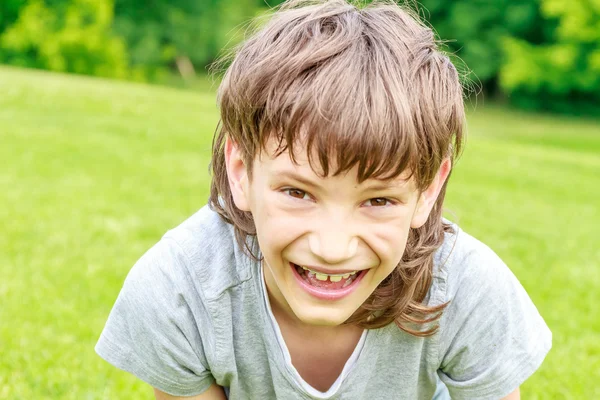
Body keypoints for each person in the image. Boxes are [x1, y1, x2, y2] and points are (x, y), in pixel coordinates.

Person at [95, 1, 552, 399]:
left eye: (378, 201)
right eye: (297, 192)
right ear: (241, 171)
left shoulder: (469, 290)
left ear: (427, 190)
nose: (333, 248)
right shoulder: (177, 290)